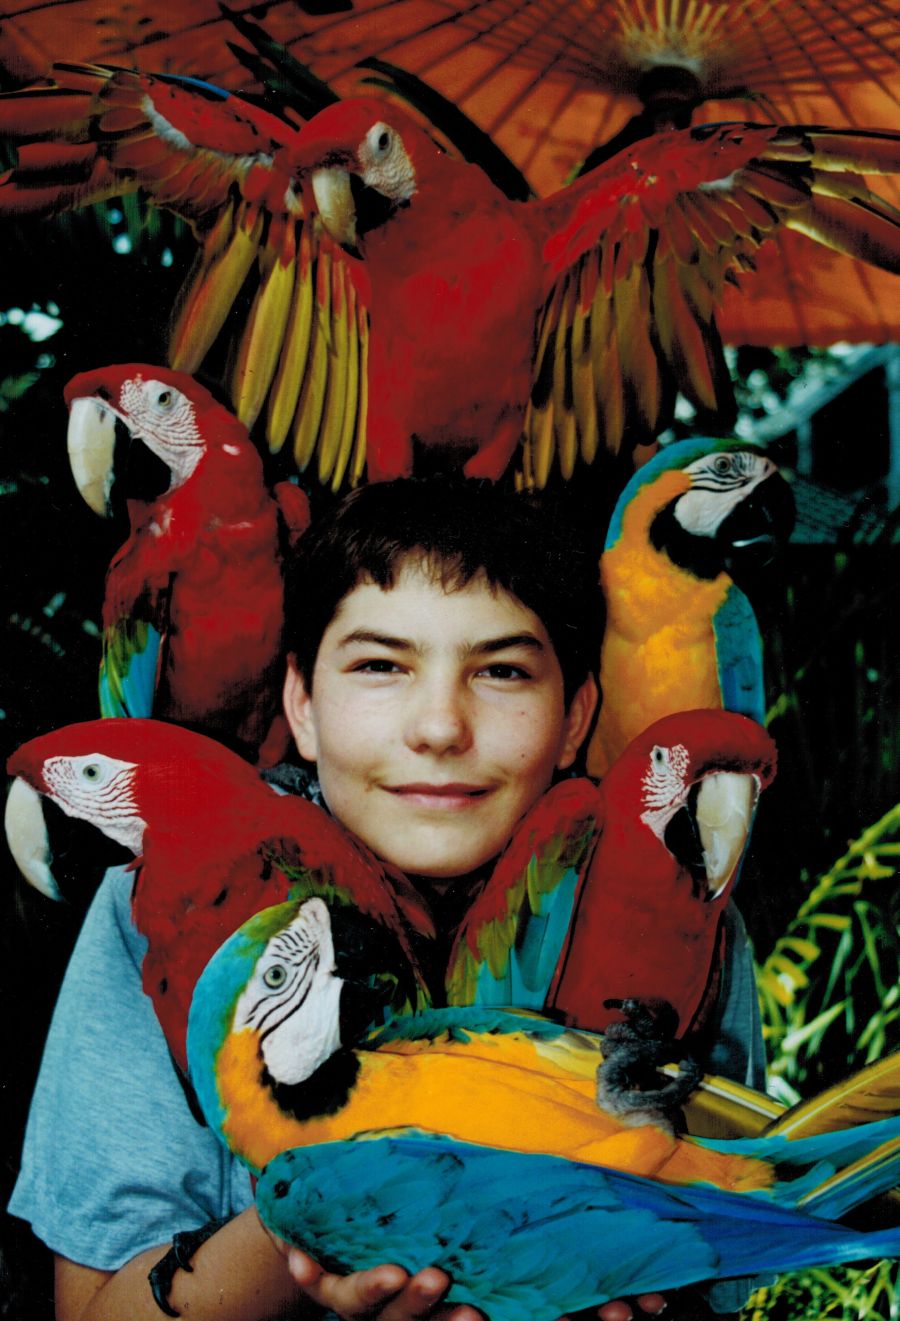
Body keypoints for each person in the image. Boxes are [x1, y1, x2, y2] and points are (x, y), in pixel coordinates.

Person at [9, 477, 765, 1321]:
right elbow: (94, 1310)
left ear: (577, 714)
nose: (439, 727)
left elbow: (717, 1271)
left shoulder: (688, 907)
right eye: (380, 664)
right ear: (301, 704)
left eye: (504, 670)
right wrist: (318, 1218)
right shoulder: (143, 908)